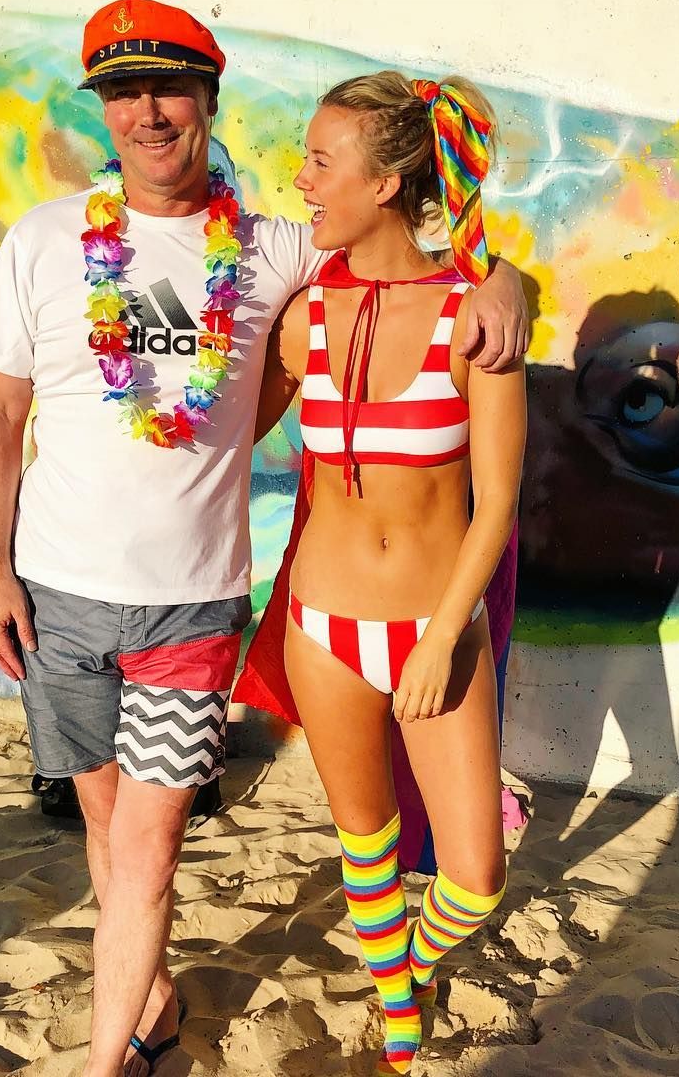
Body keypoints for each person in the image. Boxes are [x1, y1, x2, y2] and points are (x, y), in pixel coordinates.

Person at [0, 0, 529, 1073]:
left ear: (208, 101)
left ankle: (123, 1053)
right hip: (79, 598)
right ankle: (176, 1008)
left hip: (210, 606)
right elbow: (2, 413)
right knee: (118, 834)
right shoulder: (52, 240)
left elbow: (433, 273)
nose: (145, 112)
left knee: (162, 846)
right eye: (122, 92)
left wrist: (504, 276)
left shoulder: (277, 253)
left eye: (168, 89)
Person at [239, 72, 526, 1074]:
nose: (303, 180)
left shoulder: (475, 318)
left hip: (434, 630)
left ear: (389, 181)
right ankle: (401, 1032)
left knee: (476, 879)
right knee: (366, 846)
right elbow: (220, 428)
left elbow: (496, 505)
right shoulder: (301, 314)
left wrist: (444, 640)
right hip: (321, 626)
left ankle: (408, 973)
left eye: (322, 162)